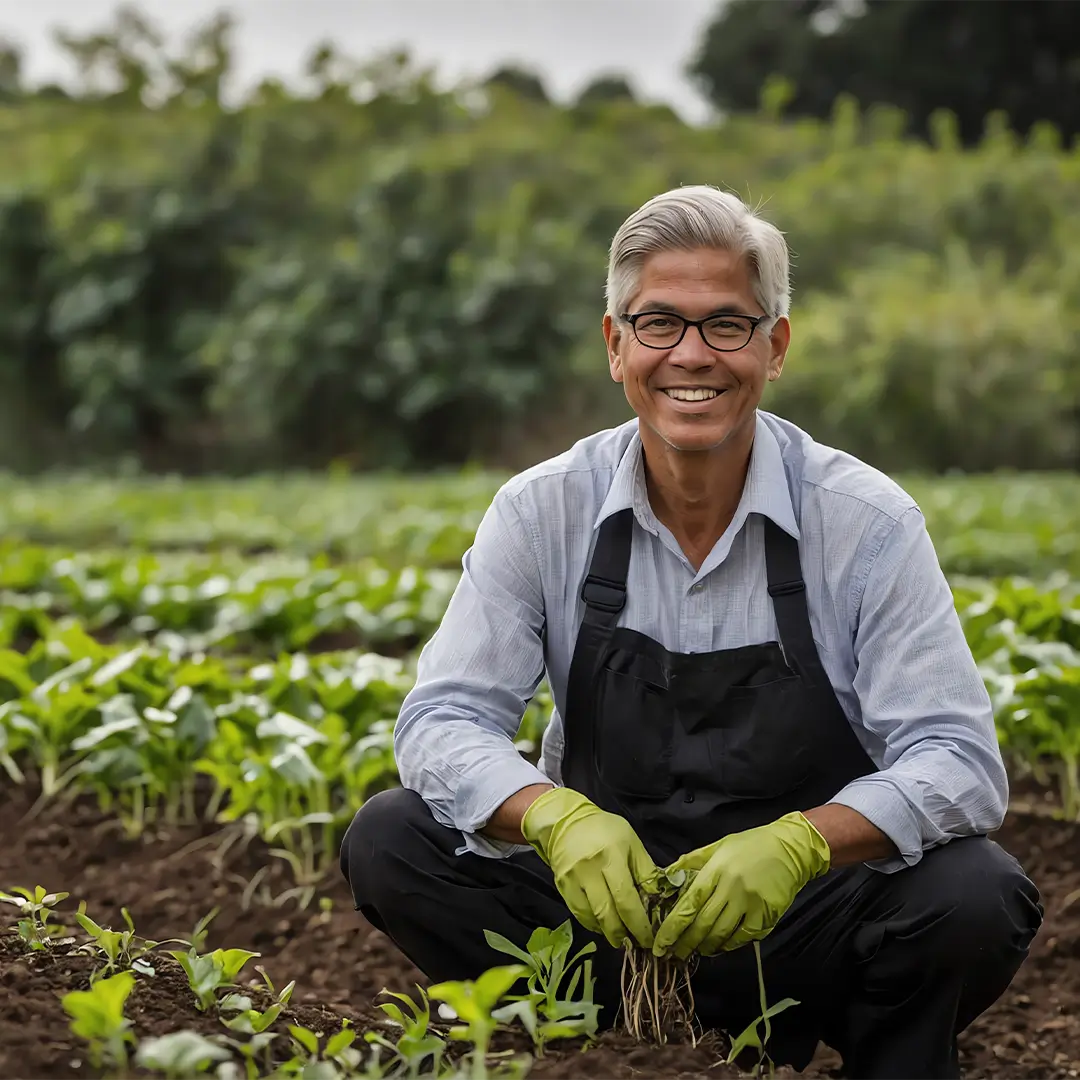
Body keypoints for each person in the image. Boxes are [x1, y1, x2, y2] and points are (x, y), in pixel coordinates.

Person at [339, 185, 1043, 1080]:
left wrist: (801, 846)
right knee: (392, 837)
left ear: (775, 346)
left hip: (800, 931)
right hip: (602, 927)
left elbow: (959, 760)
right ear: (615, 344)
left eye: (727, 326)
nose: (691, 356)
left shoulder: (865, 523)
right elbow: (440, 721)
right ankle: (578, 1058)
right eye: (660, 323)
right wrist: (552, 817)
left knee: (974, 894)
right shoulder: (543, 509)